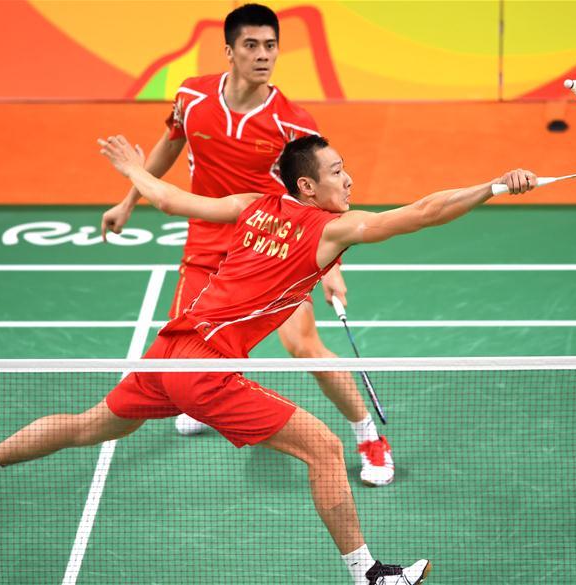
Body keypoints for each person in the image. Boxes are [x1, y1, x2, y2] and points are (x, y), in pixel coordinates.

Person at [0, 133, 536, 583]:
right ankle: (371, 575)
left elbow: (170, 199)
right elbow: (423, 213)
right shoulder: (332, 231)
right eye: (337, 171)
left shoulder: (254, 205)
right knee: (324, 449)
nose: (347, 179)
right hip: (205, 368)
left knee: (90, 424)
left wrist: (131, 170)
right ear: (307, 186)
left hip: (169, 351)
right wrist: (493, 187)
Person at [98, 4, 396, 487]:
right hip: (206, 236)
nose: (263, 56)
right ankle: (199, 397)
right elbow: (172, 142)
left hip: (269, 242)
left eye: (271, 46)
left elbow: (318, 190)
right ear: (229, 51)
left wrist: (329, 265)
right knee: (189, 344)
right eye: (252, 46)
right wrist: (129, 200)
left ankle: (368, 434)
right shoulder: (192, 96)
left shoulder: (291, 121)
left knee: (303, 346)